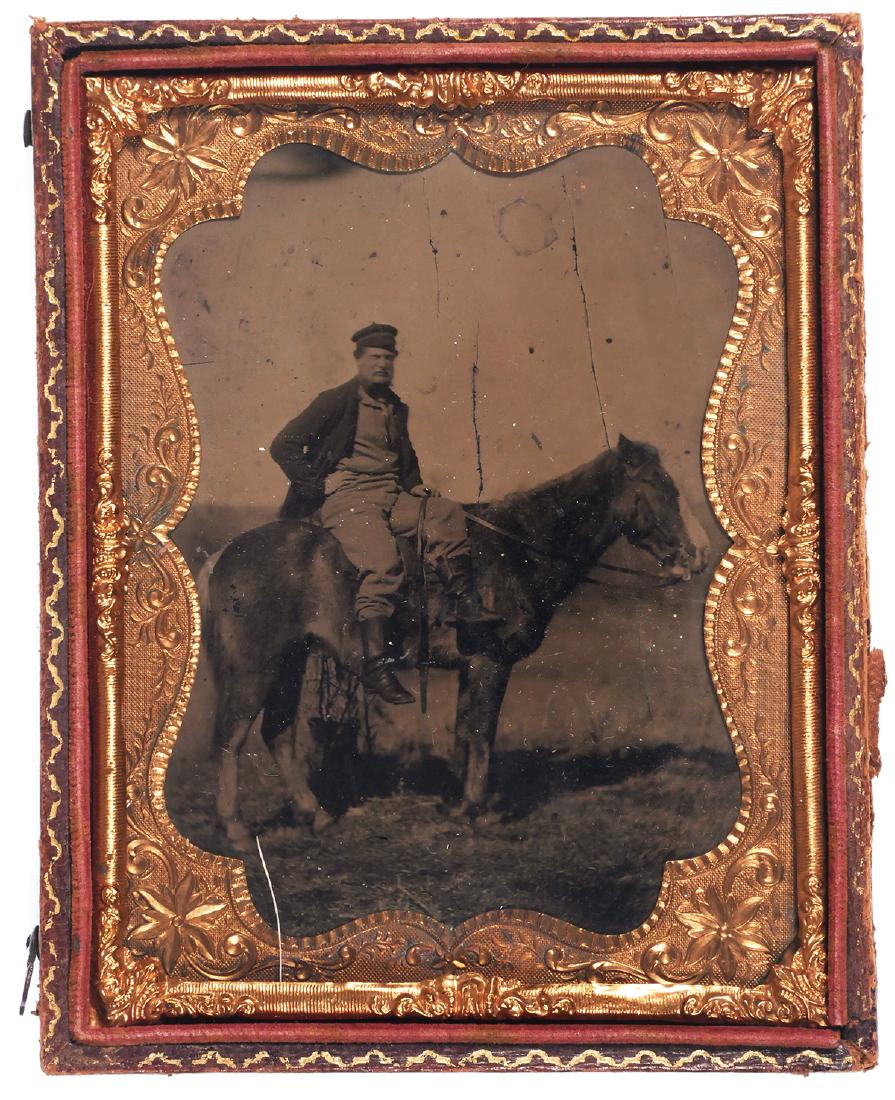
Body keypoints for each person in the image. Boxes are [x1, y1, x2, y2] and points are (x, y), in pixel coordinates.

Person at [270, 323, 500, 705]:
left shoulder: (395, 406)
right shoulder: (335, 401)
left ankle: (466, 611)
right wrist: (317, 485)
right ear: (358, 359)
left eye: (388, 358)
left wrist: (415, 485)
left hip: (393, 496)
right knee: (382, 563)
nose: (382, 364)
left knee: (446, 514)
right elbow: (284, 445)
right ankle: (376, 665)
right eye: (374, 357)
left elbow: (404, 455)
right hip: (349, 499)